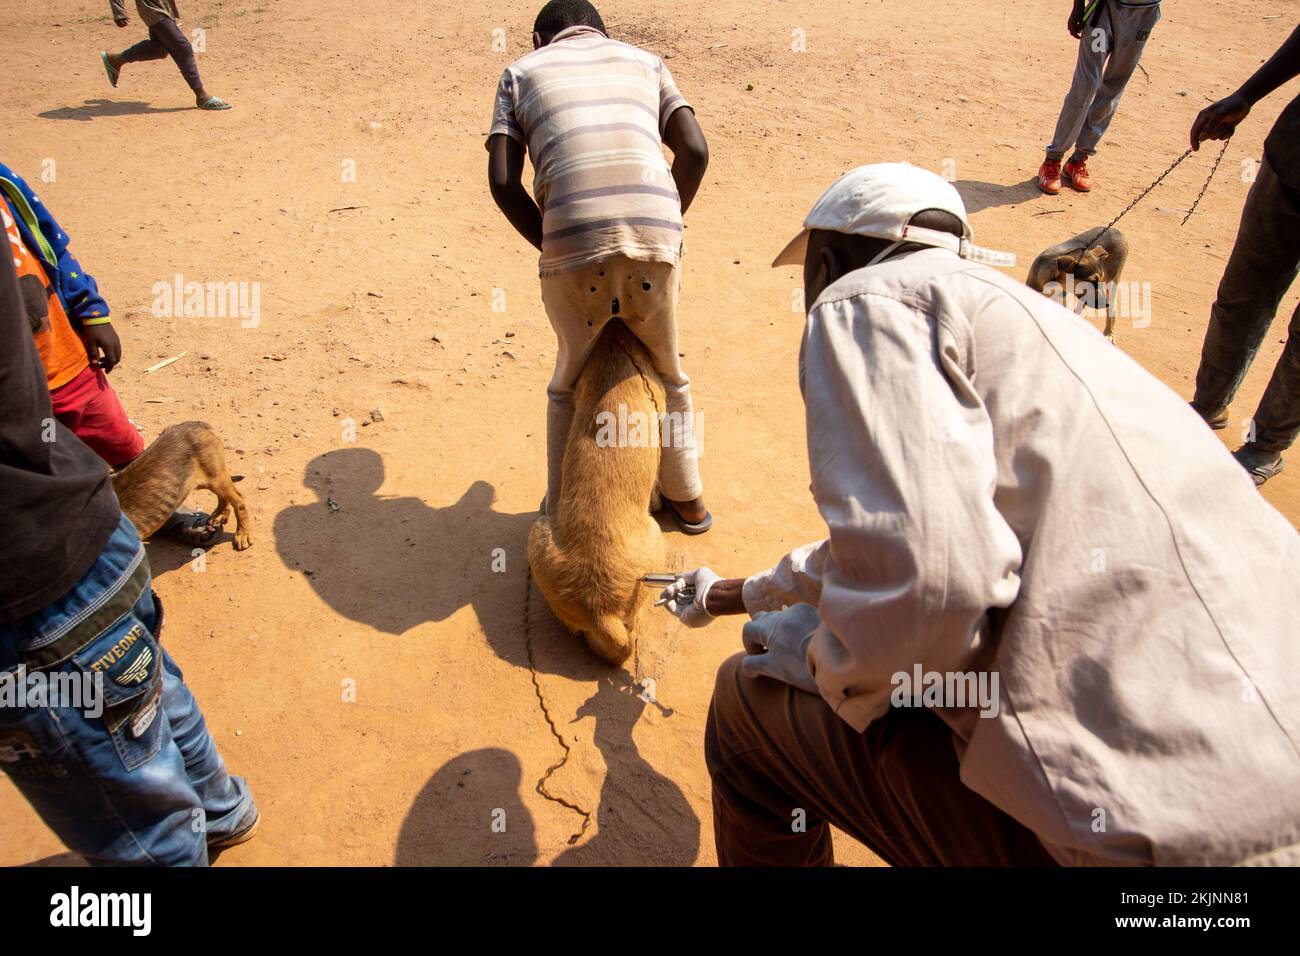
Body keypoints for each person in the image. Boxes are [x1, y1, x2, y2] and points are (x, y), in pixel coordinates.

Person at [661, 163, 1300, 866]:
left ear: (833, 259)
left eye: (811, 271)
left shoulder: (866, 301)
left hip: (1162, 849)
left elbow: (932, 587)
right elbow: (917, 544)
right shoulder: (1048, 334)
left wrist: (821, 661)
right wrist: (734, 594)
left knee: (744, 707)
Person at [0, 239, 258, 866]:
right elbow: (34, 305)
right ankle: (223, 812)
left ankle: (192, 837)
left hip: (30, 579)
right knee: (151, 682)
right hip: (87, 522)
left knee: (132, 830)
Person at [486, 0, 713, 533]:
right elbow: (696, 152)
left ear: (540, 41)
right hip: (655, 231)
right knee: (671, 376)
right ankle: (689, 502)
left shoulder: (519, 72)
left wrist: (552, 243)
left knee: (566, 384)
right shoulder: (646, 61)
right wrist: (663, 224)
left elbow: (502, 181)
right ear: (603, 34)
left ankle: (563, 508)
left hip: (569, 242)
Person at [0, 161, 215, 545]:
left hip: (57, 352)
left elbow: (51, 242)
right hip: (8, 385)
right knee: (26, 463)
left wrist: (90, 308)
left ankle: (154, 506)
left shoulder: (4, 181)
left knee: (111, 431)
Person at [1187, 24, 1300, 486]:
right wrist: (1247, 94)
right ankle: (1208, 405)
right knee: (1240, 298)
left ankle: (1265, 444)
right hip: (1291, 159)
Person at [1037, 0, 1162, 195]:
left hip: (1143, 14)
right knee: (1085, 86)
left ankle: (1079, 159)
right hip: (1104, 10)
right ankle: (1053, 158)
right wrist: (1078, 8)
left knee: (1113, 87)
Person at [101, 1, 232, 111]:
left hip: (163, 6)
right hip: (152, 8)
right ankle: (201, 95)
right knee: (183, 48)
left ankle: (116, 60)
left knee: (159, 49)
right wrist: (119, 12)